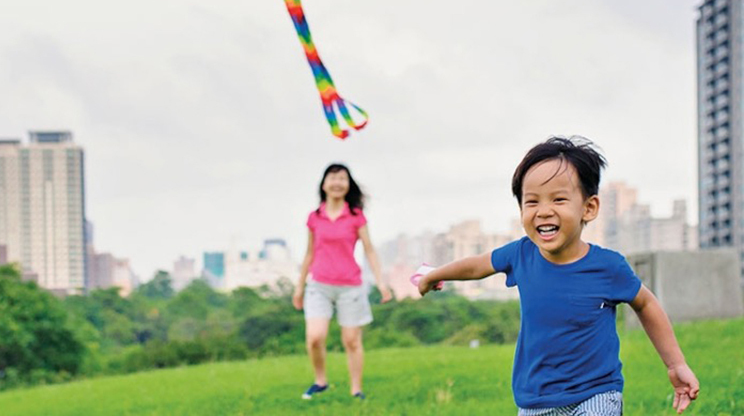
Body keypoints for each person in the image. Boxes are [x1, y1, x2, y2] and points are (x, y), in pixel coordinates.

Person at [417, 136, 700, 415]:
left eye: (559, 199)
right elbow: (477, 266)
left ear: (588, 208)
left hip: (597, 393)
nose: (544, 211)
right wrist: (434, 275)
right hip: (535, 400)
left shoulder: (609, 267)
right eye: (532, 202)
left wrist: (676, 365)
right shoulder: (521, 254)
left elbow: (646, 303)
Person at [292, 163, 393, 400]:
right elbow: (309, 253)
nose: (337, 183)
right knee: (315, 337)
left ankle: (356, 389)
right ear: (324, 184)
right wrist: (299, 286)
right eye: (333, 178)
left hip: (350, 285)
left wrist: (381, 282)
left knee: (351, 341)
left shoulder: (356, 216)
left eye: (342, 179)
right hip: (319, 285)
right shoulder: (314, 217)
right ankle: (320, 382)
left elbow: (369, 250)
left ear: (348, 185)